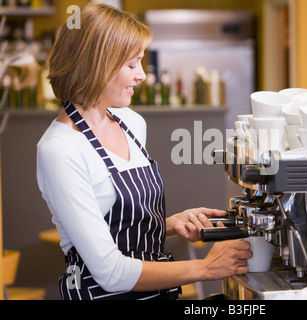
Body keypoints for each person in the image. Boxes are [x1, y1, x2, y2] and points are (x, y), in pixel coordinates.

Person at [36, 2, 252, 300]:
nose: (141, 76)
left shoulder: (130, 123)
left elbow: (115, 231)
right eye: (131, 64)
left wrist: (168, 225)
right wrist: (207, 268)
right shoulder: (59, 150)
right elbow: (110, 271)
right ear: (96, 64)